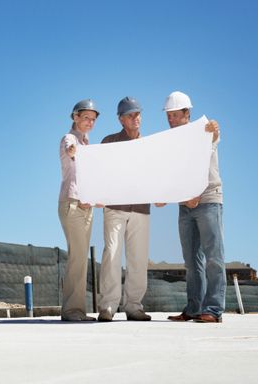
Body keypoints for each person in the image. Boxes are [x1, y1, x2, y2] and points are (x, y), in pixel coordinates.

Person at [163, 91, 226, 323]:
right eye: (168, 116)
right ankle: (193, 308)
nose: (170, 119)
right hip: (185, 205)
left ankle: (214, 309)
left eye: (174, 115)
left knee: (213, 258)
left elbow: (214, 135)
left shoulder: (204, 129)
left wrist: (214, 129)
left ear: (187, 113)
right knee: (191, 261)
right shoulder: (171, 141)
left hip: (208, 200)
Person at [97, 97, 152, 322]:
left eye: (137, 114)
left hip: (140, 208)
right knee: (111, 254)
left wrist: (160, 195)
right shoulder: (108, 142)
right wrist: (97, 195)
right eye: (130, 115)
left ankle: (134, 306)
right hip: (115, 208)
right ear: (121, 119)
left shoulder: (150, 145)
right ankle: (108, 306)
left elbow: (156, 175)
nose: (135, 118)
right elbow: (98, 171)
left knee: (138, 258)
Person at [58, 99, 101, 321]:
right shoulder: (70, 139)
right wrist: (75, 151)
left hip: (86, 205)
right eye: (86, 118)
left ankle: (77, 310)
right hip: (72, 204)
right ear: (75, 117)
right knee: (77, 257)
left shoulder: (87, 144)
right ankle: (71, 311)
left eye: (93, 120)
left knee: (81, 257)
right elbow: (70, 151)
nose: (89, 122)